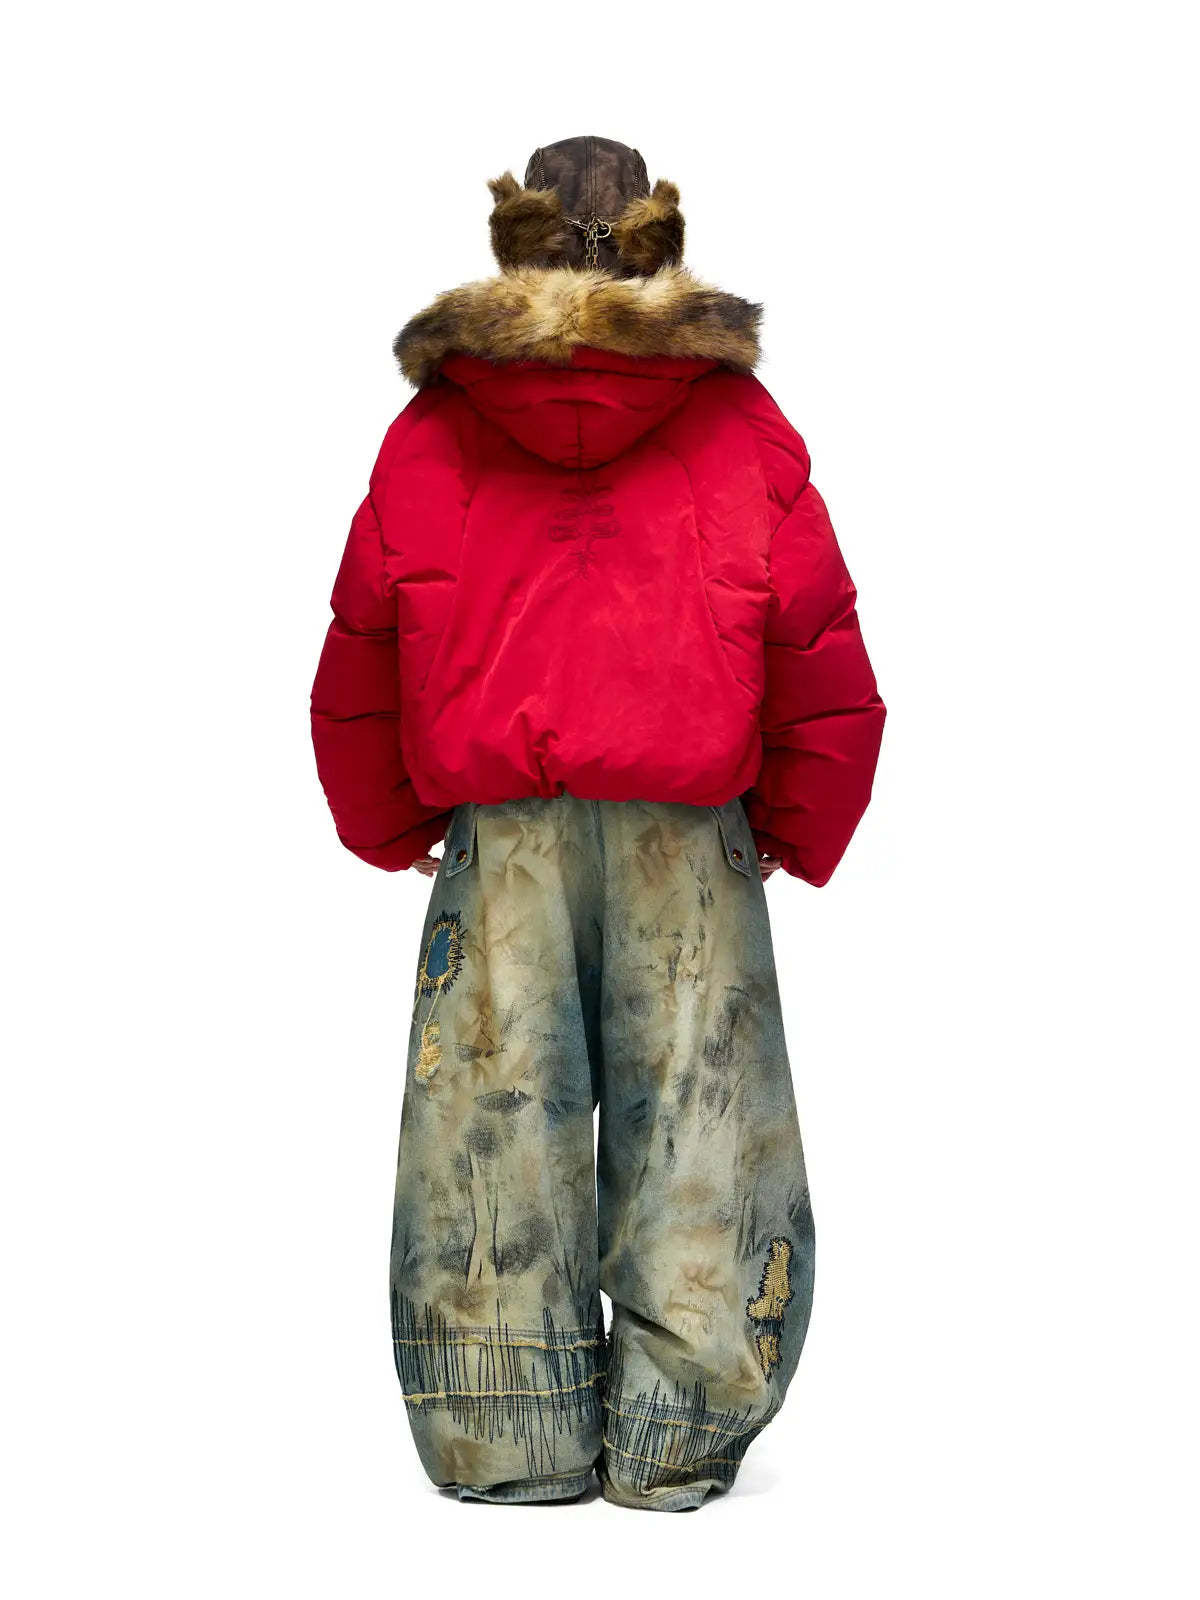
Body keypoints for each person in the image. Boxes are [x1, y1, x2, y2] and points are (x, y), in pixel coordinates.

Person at [311, 135, 885, 1510]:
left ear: (512, 243)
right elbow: (815, 638)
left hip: (501, 835)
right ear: (656, 244)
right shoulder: (741, 424)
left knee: (487, 1125)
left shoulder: (435, 427)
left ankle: (504, 1436)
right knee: (704, 1124)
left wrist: (389, 818)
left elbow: (366, 636)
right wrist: (797, 821)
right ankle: (678, 1440)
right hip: (691, 835)